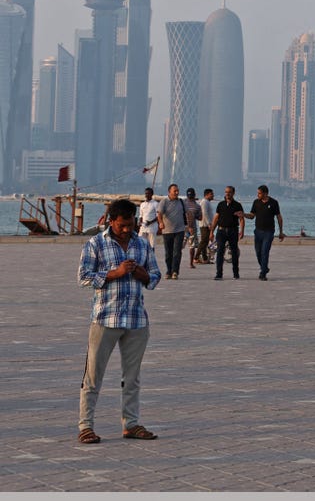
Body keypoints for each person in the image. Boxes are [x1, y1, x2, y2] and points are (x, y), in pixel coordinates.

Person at [76, 198, 161, 445]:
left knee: (132, 377)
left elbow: (155, 277)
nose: (126, 229)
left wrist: (139, 272)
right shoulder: (95, 244)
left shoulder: (142, 244)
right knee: (93, 376)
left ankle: (131, 424)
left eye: (131, 224)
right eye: (122, 225)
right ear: (110, 221)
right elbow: (83, 277)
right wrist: (115, 273)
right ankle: (86, 426)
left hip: (136, 319)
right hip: (105, 319)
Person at [243, 185, 284, 281]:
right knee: (258, 253)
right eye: (257, 193)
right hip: (258, 232)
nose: (258, 195)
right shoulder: (256, 202)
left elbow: (279, 217)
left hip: (269, 232)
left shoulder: (274, 203)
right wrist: (243, 215)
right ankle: (264, 268)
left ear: (265, 193)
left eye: (259, 193)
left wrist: (281, 232)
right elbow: (252, 215)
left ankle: (263, 274)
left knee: (265, 252)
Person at [157, 184, 190, 281]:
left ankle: (175, 271)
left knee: (177, 252)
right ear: (169, 192)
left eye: (177, 191)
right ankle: (169, 270)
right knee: (168, 253)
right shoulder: (164, 201)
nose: (177, 192)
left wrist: (189, 226)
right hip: (167, 231)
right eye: (174, 191)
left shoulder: (181, 201)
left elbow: (187, 213)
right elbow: (159, 213)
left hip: (179, 230)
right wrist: (161, 223)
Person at [213, 186, 245, 281]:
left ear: (233, 193)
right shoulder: (221, 204)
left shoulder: (237, 205)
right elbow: (216, 218)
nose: (227, 194)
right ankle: (219, 274)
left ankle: (236, 273)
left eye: (229, 192)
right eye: (226, 192)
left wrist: (242, 231)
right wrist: (212, 231)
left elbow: (241, 219)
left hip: (233, 231)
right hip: (221, 231)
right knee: (220, 252)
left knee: (234, 253)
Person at [183, 188, 202, 269]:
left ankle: (191, 263)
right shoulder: (197, 206)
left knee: (189, 247)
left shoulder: (183, 203)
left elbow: (199, 217)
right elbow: (200, 218)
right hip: (188, 229)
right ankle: (191, 263)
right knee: (191, 246)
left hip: (185, 228)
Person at [196, 188, 215, 264]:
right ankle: (196, 257)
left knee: (205, 242)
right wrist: (209, 224)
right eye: (211, 194)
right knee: (204, 241)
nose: (213, 195)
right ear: (207, 195)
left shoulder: (207, 202)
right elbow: (204, 214)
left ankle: (205, 258)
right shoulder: (204, 202)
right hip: (204, 225)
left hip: (206, 224)